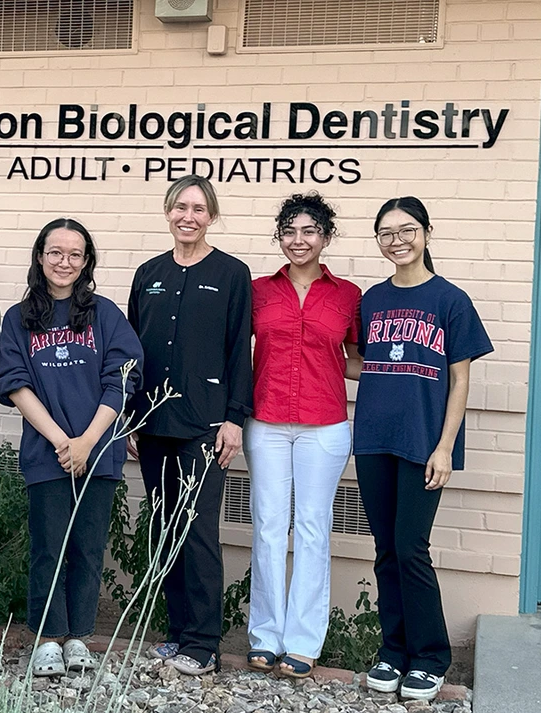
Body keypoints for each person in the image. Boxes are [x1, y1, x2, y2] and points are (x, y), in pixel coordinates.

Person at [0, 218, 143, 677]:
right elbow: (14, 383)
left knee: (87, 546)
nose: (64, 262)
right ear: (40, 257)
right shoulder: (19, 319)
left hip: (98, 450)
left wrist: (88, 441)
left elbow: (123, 378)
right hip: (48, 452)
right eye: (55, 252)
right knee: (48, 547)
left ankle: (78, 635)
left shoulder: (105, 314)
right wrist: (63, 442)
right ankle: (46, 637)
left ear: (86, 262)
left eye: (75, 254)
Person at [356, 198, 492, 702]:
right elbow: (364, 363)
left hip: (423, 444)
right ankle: (393, 652)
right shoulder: (371, 300)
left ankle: (431, 657)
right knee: (386, 549)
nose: (397, 240)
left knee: (411, 548)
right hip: (373, 439)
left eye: (407, 229)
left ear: (427, 233)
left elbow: (460, 381)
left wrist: (445, 447)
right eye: (386, 233)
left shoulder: (450, 300)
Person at [127, 174, 253, 676]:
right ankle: (177, 634)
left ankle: (203, 644)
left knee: (198, 531)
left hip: (205, 424)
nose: (189, 216)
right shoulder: (148, 273)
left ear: (211, 216)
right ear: (167, 211)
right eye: (181, 206)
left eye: (199, 209)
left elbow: (239, 350)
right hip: (154, 422)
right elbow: (133, 350)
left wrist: (233, 418)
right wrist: (130, 417)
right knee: (165, 528)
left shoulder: (231, 273)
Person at [244, 193, 362, 679]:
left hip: (325, 424)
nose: (299, 240)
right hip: (267, 421)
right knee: (269, 528)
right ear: (279, 237)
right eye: (290, 231)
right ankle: (265, 636)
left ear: (326, 237)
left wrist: (404, 373)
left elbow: (356, 359)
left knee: (312, 531)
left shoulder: (349, 295)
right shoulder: (257, 291)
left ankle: (304, 641)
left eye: (309, 231)